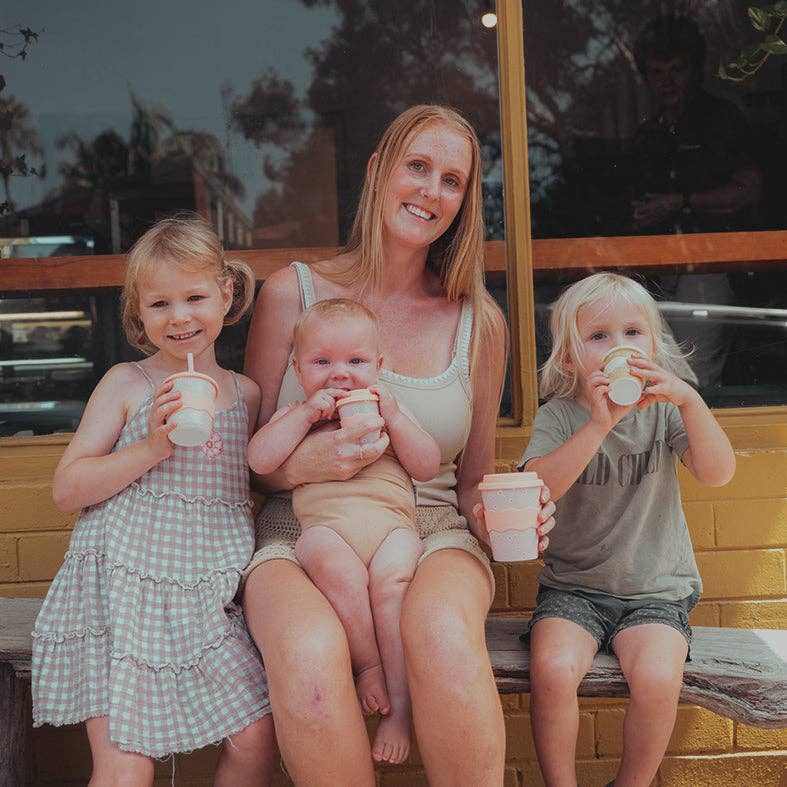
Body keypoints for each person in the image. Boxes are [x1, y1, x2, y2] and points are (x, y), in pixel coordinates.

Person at [242, 104, 556, 785]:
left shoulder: (480, 322)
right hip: (299, 527)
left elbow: (472, 478)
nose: (430, 191)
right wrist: (309, 462)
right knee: (305, 653)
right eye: (417, 166)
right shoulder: (289, 294)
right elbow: (250, 464)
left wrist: (511, 516)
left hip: (431, 522)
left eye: (452, 180)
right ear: (378, 171)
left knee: (440, 634)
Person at [31, 216, 275, 786]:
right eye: (160, 303)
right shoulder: (127, 382)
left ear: (227, 293)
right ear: (139, 314)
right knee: (126, 768)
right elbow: (68, 489)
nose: (181, 316)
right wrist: (153, 446)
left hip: (206, 597)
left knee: (257, 740)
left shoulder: (246, 394)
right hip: (122, 594)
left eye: (195, 296)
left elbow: (255, 485)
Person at [518, 272, 735, 787]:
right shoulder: (561, 416)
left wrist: (689, 400)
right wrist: (599, 423)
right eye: (598, 337)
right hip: (573, 590)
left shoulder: (664, 413)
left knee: (659, 677)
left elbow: (718, 472)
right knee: (551, 670)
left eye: (633, 333)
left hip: (656, 592)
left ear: (654, 345)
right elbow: (538, 488)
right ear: (571, 358)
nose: (620, 346)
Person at [248, 297, 441, 764]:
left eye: (356, 361)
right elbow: (259, 461)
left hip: (391, 526)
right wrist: (304, 416)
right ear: (297, 368)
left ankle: (400, 709)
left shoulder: (390, 410)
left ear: (379, 365)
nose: (340, 374)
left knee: (393, 585)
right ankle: (368, 666)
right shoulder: (296, 415)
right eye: (322, 362)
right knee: (327, 562)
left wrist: (394, 418)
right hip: (327, 529)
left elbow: (428, 465)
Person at [630, 14, 762, 391]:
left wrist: (681, 202)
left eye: (677, 69)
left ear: (695, 70)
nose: (667, 81)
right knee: (653, 372)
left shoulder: (721, 119)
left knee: (693, 377)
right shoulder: (648, 132)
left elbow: (750, 190)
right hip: (656, 268)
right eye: (657, 72)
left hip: (709, 266)